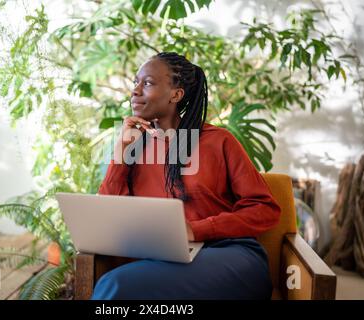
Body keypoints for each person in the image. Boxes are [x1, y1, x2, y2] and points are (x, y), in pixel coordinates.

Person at [92, 52, 281, 300]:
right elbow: (110, 214)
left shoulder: (218, 141)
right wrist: (121, 157)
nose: (135, 91)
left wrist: (195, 229)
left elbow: (265, 208)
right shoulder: (134, 148)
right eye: (135, 83)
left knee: (116, 285)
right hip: (165, 261)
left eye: (147, 83)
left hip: (229, 254)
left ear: (176, 94)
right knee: (118, 283)